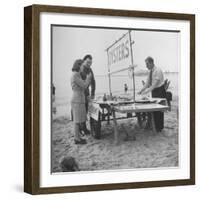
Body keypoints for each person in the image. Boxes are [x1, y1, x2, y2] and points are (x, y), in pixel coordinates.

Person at [138, 56, 166, 132]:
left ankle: (159, 127)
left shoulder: (158, 70)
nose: (146, 66)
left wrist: (146, 92)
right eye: (146, 64)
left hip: (160, 90)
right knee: (154, 109)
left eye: (147, 64)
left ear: (151, 63)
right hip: (154, 91)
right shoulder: (150, 72)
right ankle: (156, 126)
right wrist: (141, 91)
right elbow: (147, 83)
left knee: (159, 109)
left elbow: (154, 85)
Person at [71, 59, 92, 144]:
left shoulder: (76, 75)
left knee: (78, 120)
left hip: (78, 99)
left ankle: (78, 137)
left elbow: (83, 84)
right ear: (78, 65)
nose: (83, 67)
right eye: (82, 65)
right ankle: (77, 139)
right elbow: (84, 86)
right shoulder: (75, 75)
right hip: (77, 100)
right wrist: (88, 78)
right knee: (77, 121)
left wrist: (87, 81)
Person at [80, 54, 96, 135]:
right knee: (82, 112)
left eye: (90, 63)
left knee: (86, 111)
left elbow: (93, 82)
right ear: (84, 61)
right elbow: (81, 84)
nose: (89, 64)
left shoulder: (90, 69)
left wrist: (92, 93)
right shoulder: (81, 69)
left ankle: (84, 128)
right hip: (80, 94)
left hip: (87, 93)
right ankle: (83, 129)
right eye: (88, 62)